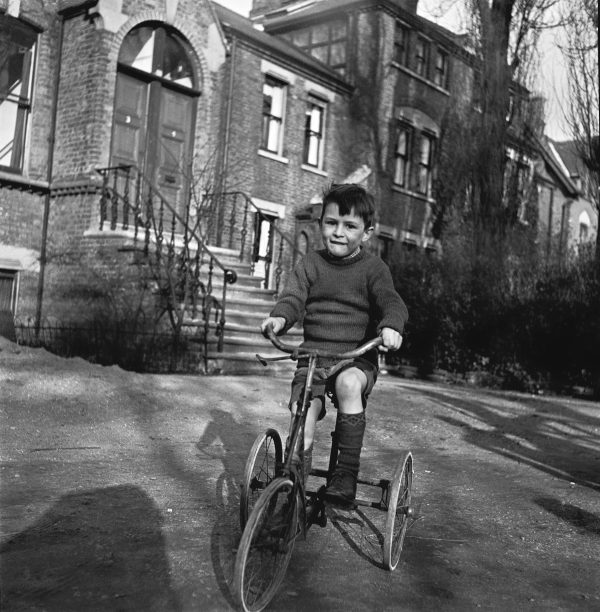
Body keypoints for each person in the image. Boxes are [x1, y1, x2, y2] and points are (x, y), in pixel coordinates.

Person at [261, 183, 408, 506]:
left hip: (355, 358)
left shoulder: (373, 270)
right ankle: (292, 485)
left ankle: (345, 473)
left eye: (350, 226)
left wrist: (391, 327)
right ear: (320, 224)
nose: (338, 233)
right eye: (331, 223)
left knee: (348, 384)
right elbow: (293, 298)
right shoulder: (311, 264)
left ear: (367, 233)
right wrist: (280, 320)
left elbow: (391, 303)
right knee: (302, 409)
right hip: (314, 357)